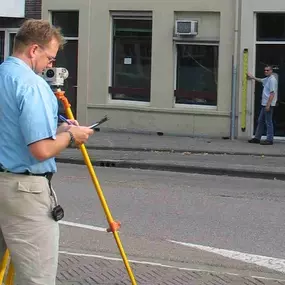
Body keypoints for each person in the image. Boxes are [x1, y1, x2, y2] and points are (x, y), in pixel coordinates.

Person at [0, 19, 94, 284]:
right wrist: (71, 136)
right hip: (24, 191)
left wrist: (59, 126)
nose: (50, 66)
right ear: (33, 50)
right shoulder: (32, 84)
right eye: (49, 58)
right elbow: (41, 149)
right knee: (35, 278)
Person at [248, 65, 278, 145]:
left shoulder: (272, 80)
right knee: (260, 121)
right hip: (264, 104)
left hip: (268, 105)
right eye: (265, 70)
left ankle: (269, 139)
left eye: (268, 70)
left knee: (268, 122)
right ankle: (257, 138)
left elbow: (272, 93)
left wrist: (268, 105)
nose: (266, 71)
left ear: (271, 71)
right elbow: (261, 80)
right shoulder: (267, 79)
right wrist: (253, 77)